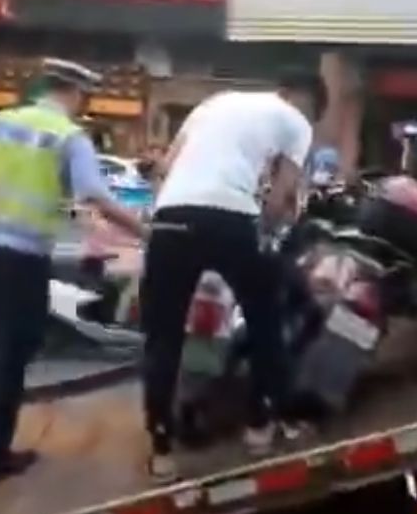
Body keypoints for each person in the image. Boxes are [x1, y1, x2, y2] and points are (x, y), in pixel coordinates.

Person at [0, 58, 146, 484]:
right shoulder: (69, 136)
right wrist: (145, 233)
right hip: (24, 258)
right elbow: (94, 195)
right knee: (11, 354)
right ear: (75, 93)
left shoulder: (1, 123)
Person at [140, 69, 327, 478]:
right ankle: (264, 425)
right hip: (229, 219)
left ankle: (161, 450)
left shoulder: (212, 104)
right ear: (309, 102)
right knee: (266, 321)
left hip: (170, 219)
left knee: (162, 338)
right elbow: (279, 198)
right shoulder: (297, 123)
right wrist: (267, 234)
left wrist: (162, 217)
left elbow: (164, 169)